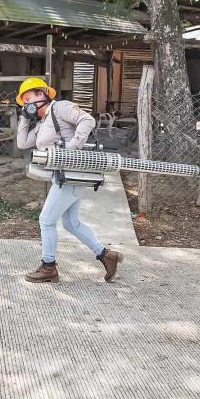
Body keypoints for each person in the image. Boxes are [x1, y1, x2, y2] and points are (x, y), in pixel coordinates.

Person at [16, 77, 124, 283]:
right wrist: (24, 117)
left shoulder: (60, 108)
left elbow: (87, 120)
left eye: (29, 99)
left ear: (42, 94)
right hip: (63, 176)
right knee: (71, 223)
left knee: (46, 220)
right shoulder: (43, 122)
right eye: (24, 103)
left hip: (71, 174)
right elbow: (22, 143)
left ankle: (48, 267)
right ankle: (106, 256)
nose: (28, 105)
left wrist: (72, 147)